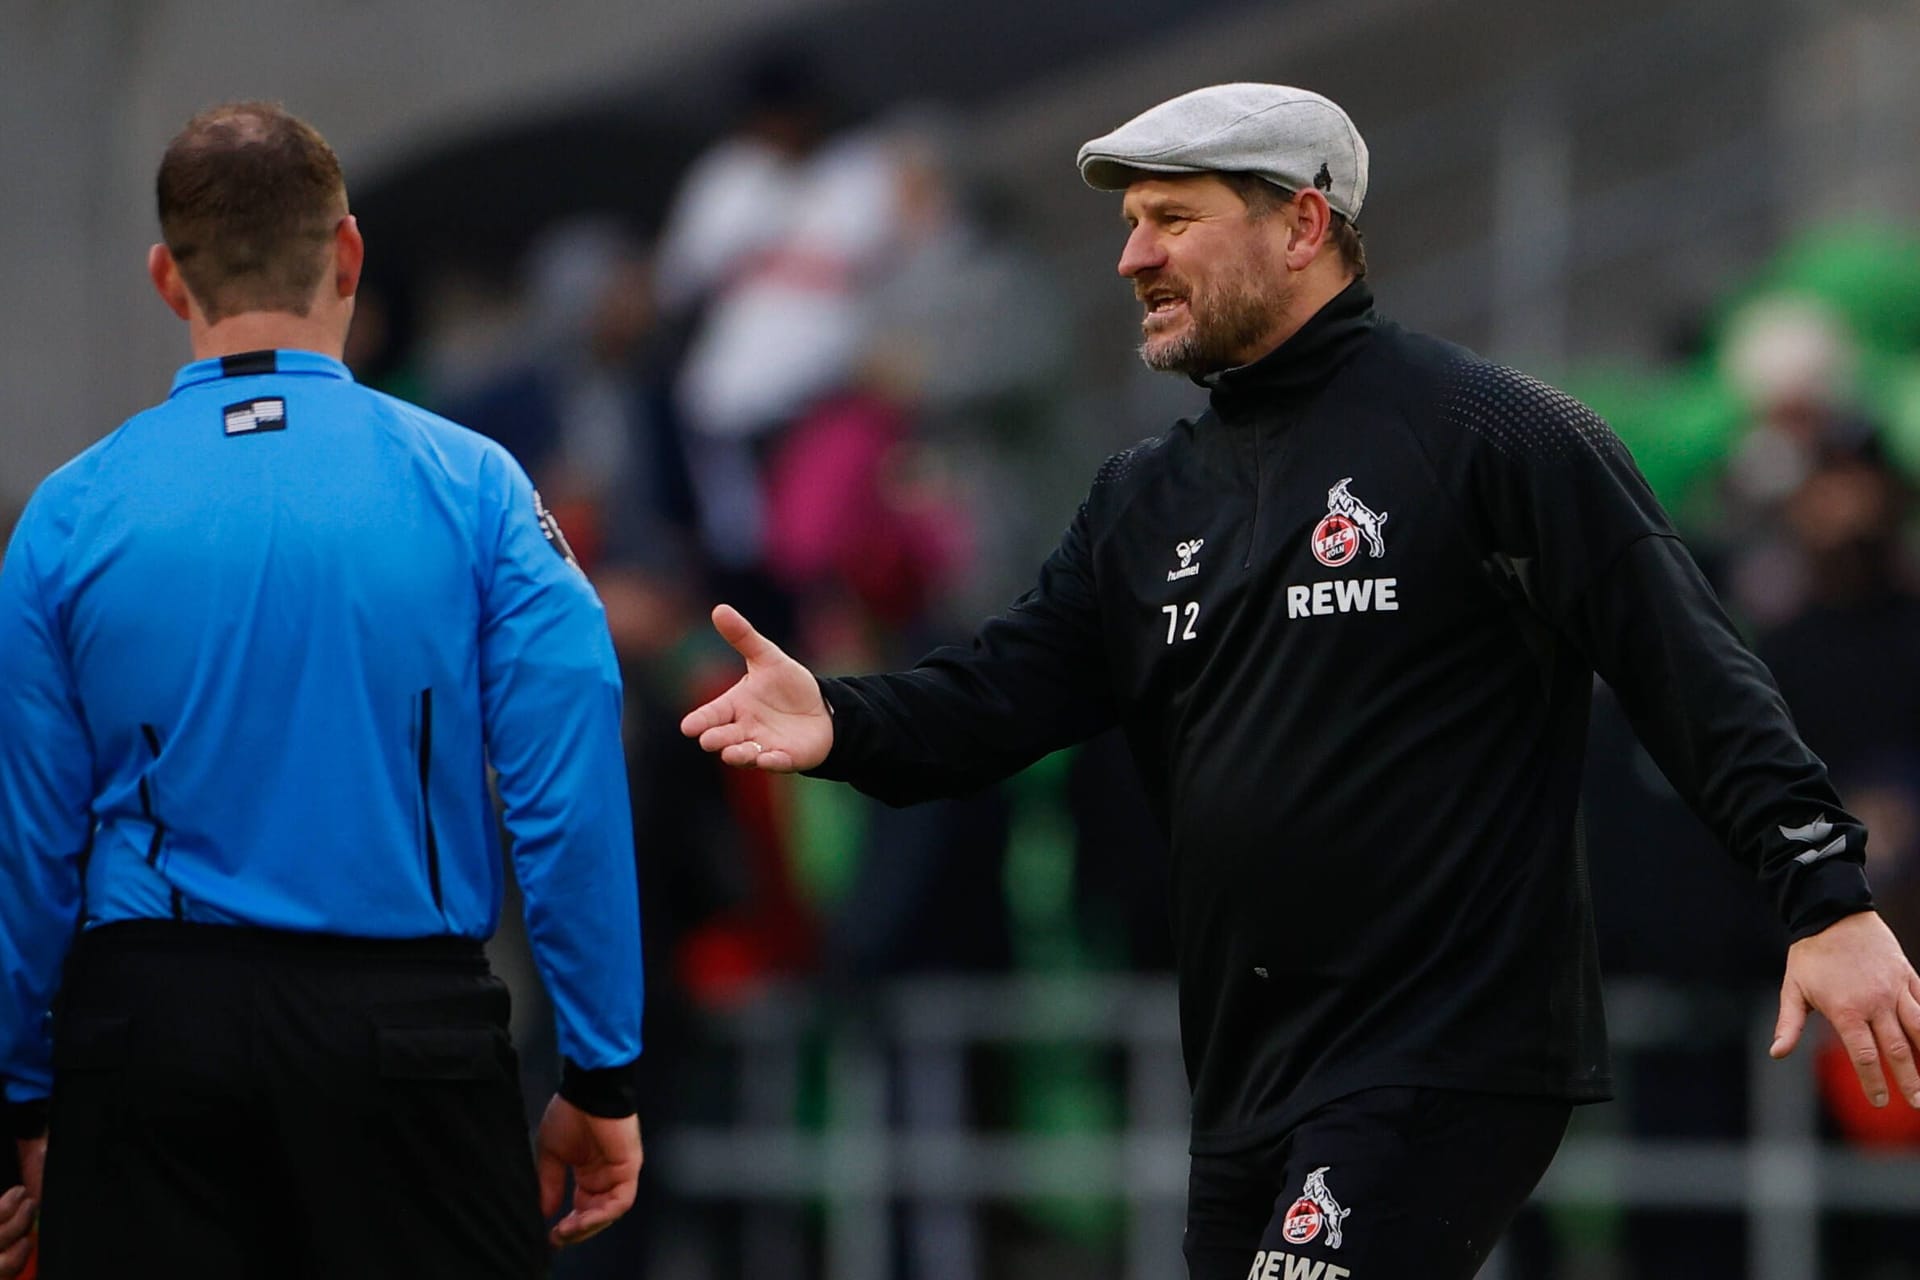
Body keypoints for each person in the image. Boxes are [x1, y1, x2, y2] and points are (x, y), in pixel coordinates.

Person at [681, 83, 1920, 1279]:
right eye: (1129, 226)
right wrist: (838, 716)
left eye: (1173, 219)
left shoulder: (1496, 435)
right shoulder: (1141, 497)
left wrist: (1825, 895)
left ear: (1303, 224)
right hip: (1247, 1069)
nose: (1133, 259)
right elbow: (999, 695)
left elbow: (1694, 671)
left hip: (1440, 1050)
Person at [0, 102, 644, 1276]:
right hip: (404, 1038)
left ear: (166, 277)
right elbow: (570, 780)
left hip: (148, 1046)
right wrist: (601, 1066)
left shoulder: (66, 517)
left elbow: (28, 838)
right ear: (346, 252)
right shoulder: (477, 489)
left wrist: (30, 1113)